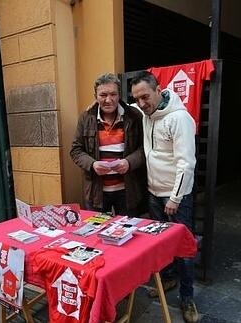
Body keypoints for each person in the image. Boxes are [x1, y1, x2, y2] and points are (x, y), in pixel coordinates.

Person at [130, 70, 198, 323]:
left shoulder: (179, 118)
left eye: (146, 96)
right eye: (137, 98)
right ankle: (168, 279)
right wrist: (102, 102)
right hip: (153, 193)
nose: (142, 103)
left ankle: (187, 297)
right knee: (159, 244)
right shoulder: (147, 112)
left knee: (184, 247)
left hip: (175, 197)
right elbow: (127, 105)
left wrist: (175, 198)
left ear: (159, 90)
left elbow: (186, 164)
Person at [71, 73, 146, 217]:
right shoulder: (86, 118)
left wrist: (129, 162)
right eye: (103, 95)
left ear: (119, 95)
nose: (108, 100)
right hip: (96, 192)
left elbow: (145, 148)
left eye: (113, 94)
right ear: (95, 96)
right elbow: (76, 150)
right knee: (97, 232)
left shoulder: (134, 116)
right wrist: (92, 164)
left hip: (127, 191)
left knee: (128, 233)